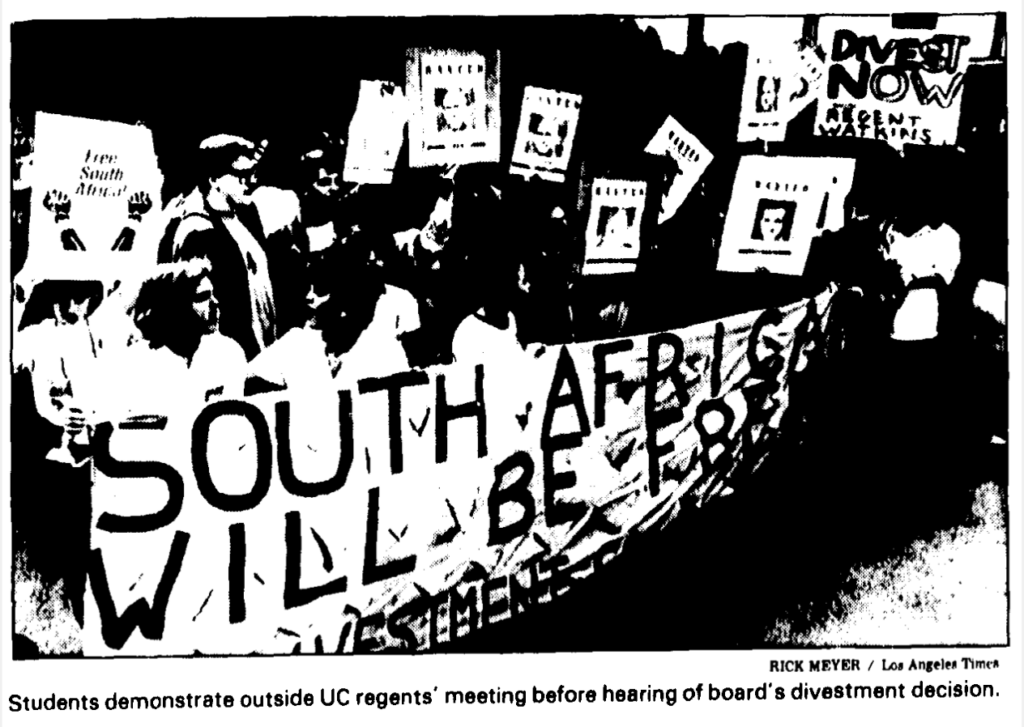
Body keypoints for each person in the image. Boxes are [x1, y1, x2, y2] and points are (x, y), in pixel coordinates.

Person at [158, 135, 277, 360]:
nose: (249, 181)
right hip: (231, 359)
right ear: (214, 179)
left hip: (263, 349)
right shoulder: (197, 229)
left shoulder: (247, 216)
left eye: (251, 173)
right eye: (240, 175)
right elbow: (193, 309)